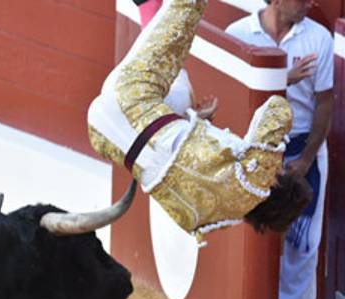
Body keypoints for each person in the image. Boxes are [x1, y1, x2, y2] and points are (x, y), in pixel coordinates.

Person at [87, 0, 311, 245]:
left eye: (281, 171)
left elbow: (277, 110)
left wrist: (271, 159)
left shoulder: (256, 175)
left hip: (130, 96)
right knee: (182, 92)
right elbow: (173, 162)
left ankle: (149, 3)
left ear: (275, 182)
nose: (279, 167)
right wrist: (195, 122)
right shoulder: (211, 218)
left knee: (187, 5)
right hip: (103, 135)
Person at [226, 0, 334, 299]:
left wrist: (304, 162)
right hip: (253, 149)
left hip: (303, 147)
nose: (309, 3)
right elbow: (235, 97)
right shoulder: (239, 35)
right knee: (245, 241)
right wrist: (281, 79)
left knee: (302, 247)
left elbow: (324, 104)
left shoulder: (318, 38)